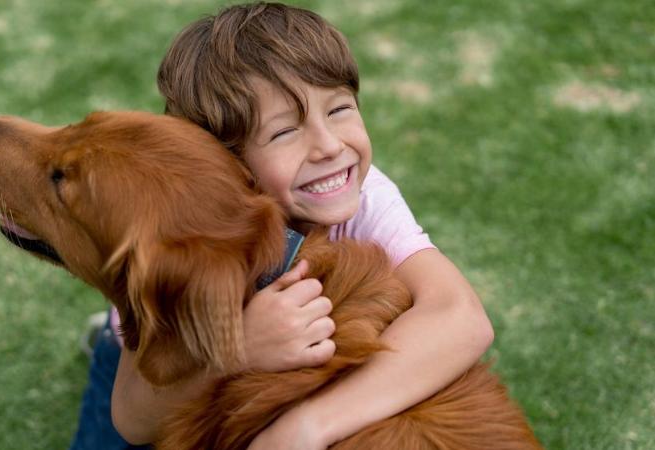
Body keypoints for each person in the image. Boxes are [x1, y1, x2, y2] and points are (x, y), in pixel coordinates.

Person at [71, 3, 494, 449]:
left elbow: (462, 318)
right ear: (229, 166)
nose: (330, 146)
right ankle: (108, 335)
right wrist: (237, 351)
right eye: (284, 133)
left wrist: (305, 428)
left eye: (339, 110)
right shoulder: (177, 235)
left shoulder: (365, 195)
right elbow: (135, 421)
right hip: (170, 357)